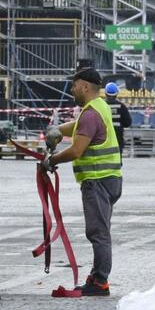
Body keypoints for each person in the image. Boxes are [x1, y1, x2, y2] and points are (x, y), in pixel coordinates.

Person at [43, 68, 122, 297]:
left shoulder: (90, 113)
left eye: (75, 85)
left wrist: (52, 161)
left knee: (98, 232)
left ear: (86, 86)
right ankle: (97, 275)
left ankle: (100, 281)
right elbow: (78, 125)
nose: (72, 89)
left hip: (97, 180)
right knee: (100, 230)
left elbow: (77, 150)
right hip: (109, 179)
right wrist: (58, 130)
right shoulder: (99, 106)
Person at [104, 82, 132, 154]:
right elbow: (127, 123)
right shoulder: (121, 106)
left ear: (105, 93)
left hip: (103, 136)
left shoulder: (101, 105)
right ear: (116, 93)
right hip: (118, 136)